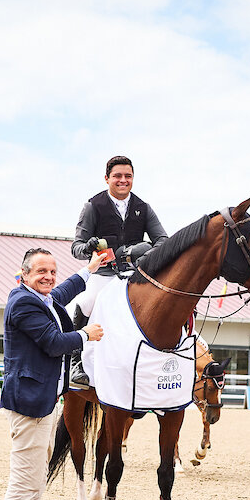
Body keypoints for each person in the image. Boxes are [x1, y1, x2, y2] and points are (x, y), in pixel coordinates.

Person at [0, 247, 104, 500]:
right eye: (40, 271)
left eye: (52, 271)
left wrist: (90, 270)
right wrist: (86, 335)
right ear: (25, 274)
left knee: (34, 481)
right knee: (24, 482)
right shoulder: (23, 302)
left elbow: (61, 291)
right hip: (29, 402)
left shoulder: (40, 297)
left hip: (42, 400)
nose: (48, 277)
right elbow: (54, 342)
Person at [69, 155, 168, 385]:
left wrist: (141, 252)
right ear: (107, 179)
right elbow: (76, 247)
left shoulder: (143, 208)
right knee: (88, 300)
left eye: (128, 176)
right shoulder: (93, 206)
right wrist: (89, 247)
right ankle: (76, 361)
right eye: (117, 176)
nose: (123, 180)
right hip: (103, 273)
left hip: (134, 274)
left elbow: (163, 240)